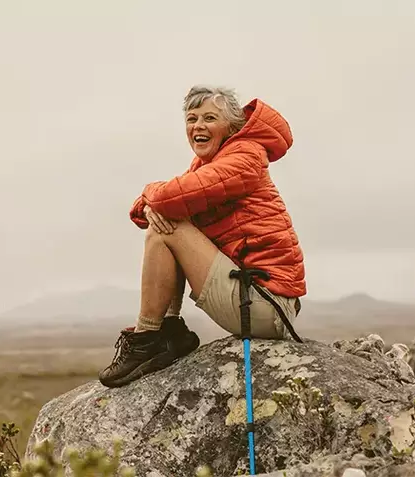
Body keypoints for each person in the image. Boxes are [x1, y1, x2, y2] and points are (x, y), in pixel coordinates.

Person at [98, 85, 306, 388]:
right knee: (168, 220)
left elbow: (171, 197)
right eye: (191, 118)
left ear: (231, 126)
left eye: (209, 118)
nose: (198, 126)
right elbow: (166, 200)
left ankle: (148, 338)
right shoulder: (212, 163)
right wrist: (154, 202)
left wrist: (149, 194)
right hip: (255, 296)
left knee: (165, 227)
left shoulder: (245, 157)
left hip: (263, 304)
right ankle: (168, 329)